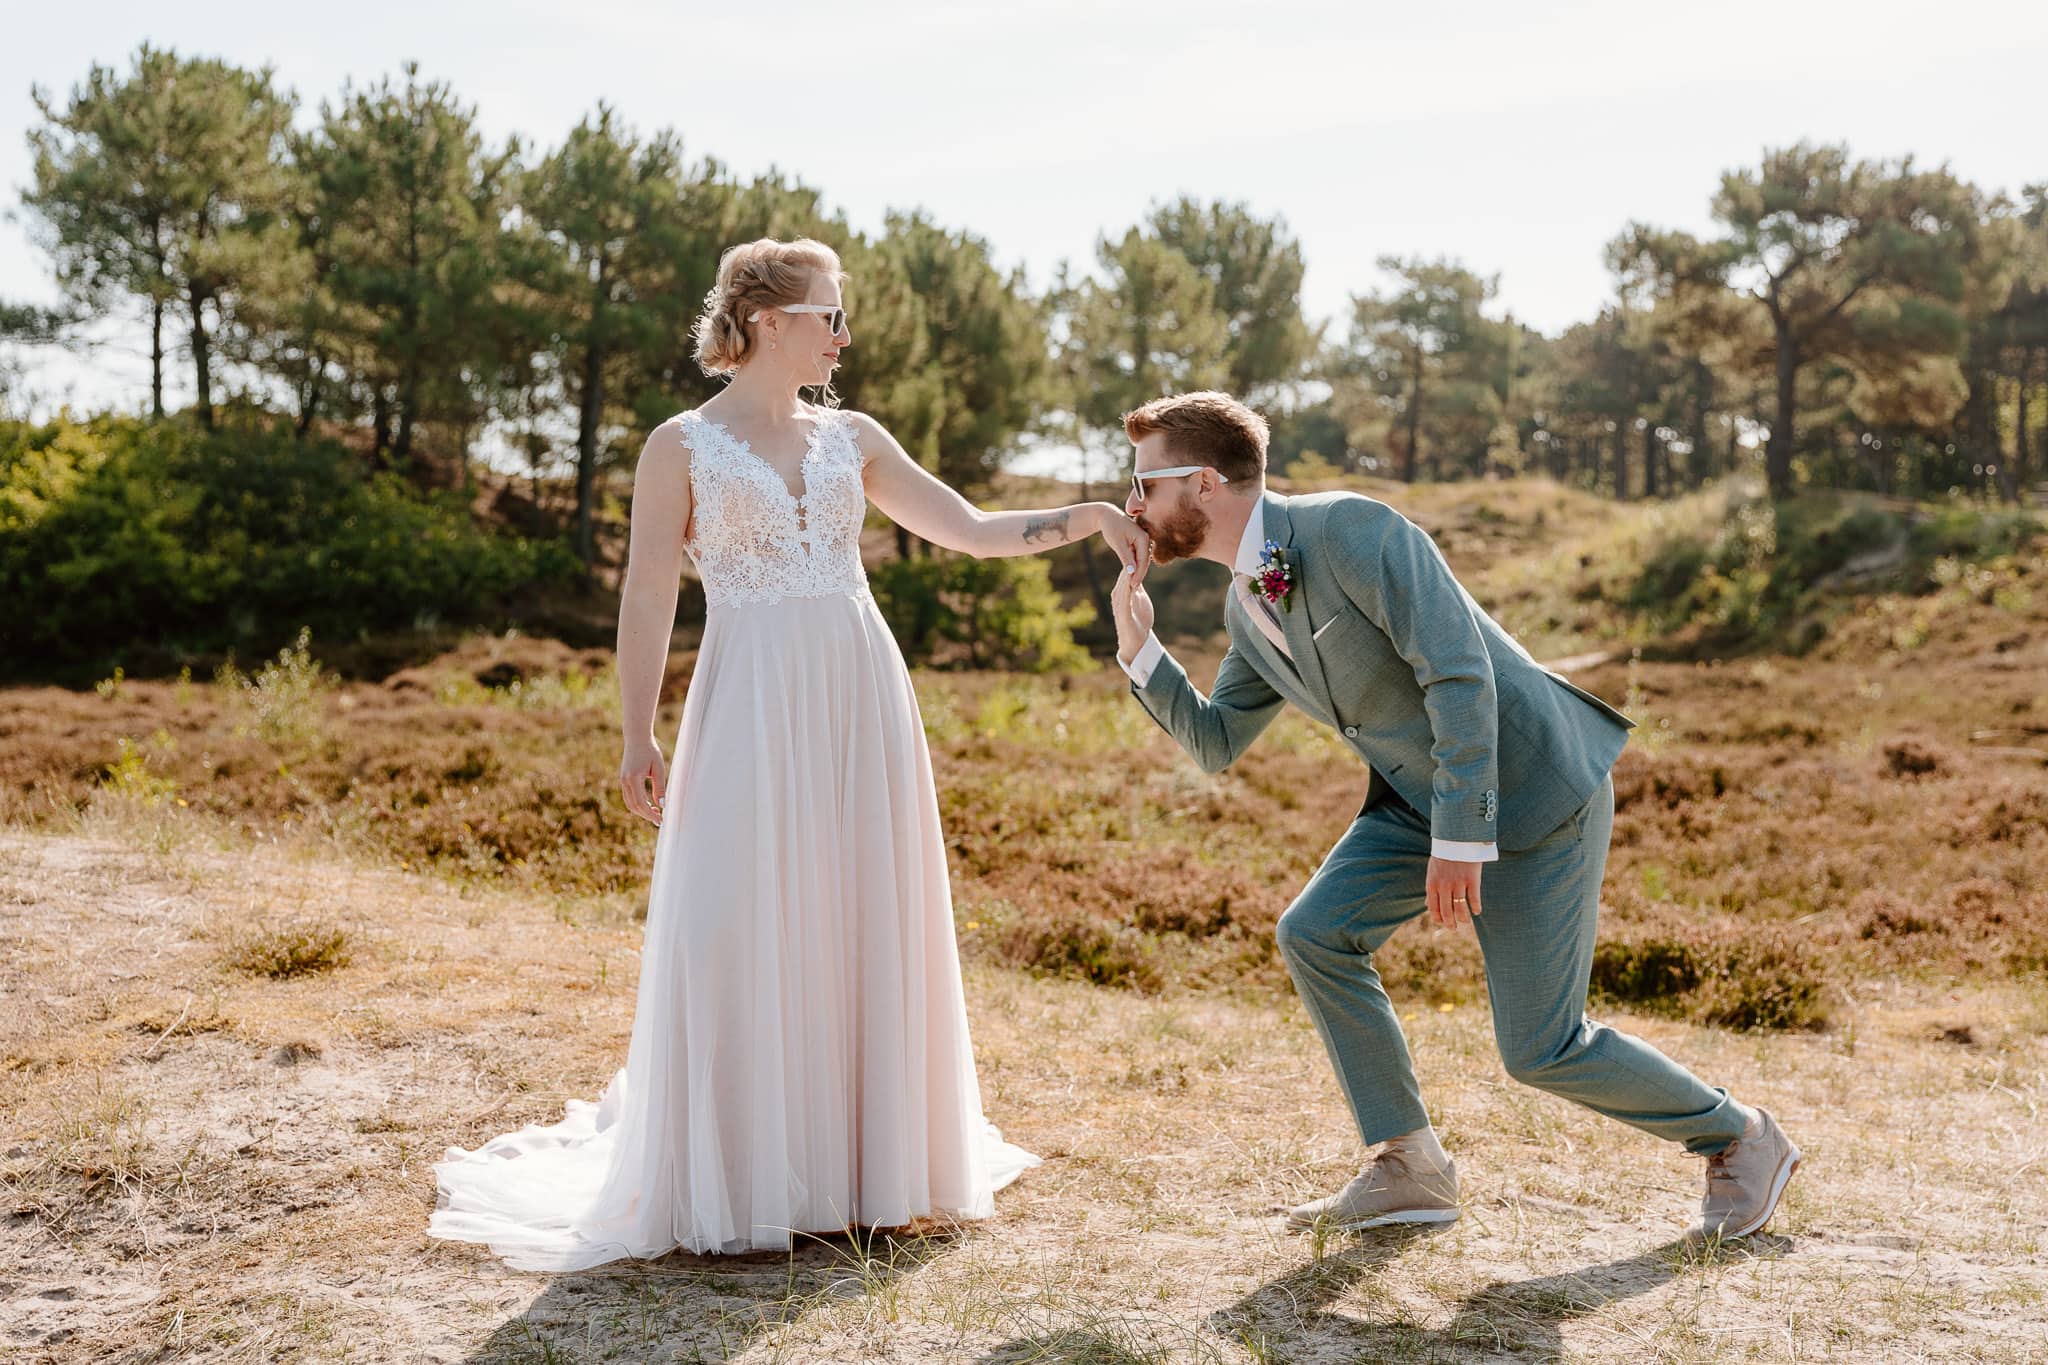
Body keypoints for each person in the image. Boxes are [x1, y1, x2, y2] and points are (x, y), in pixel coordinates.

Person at [428, 237, 1149, 1268]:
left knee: (860, 905)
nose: (844, 335)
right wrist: (636, 728)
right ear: (768, 321)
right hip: (748, 693)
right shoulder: (677, 446)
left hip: (858, 686)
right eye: (829, 315)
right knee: (738, 913)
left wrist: (1081, 516)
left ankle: (866, 1171)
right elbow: (646, 591)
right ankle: (749, 1167)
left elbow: (971, 528)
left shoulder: (851, 435)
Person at [1107, 390, 1800, 1241]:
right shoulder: (1244, 608)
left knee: (1542, 1048)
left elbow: (1458, 672)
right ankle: (1411, 1165)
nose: (1132, 503)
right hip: (1414, 800)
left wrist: (1463, 833)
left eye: (1145, 481)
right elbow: (1216, 741)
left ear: (1205, 483)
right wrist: (1140, 646)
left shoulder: (1353, 530)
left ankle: (1742, 1136)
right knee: (1314, 931)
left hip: (1535, 791)